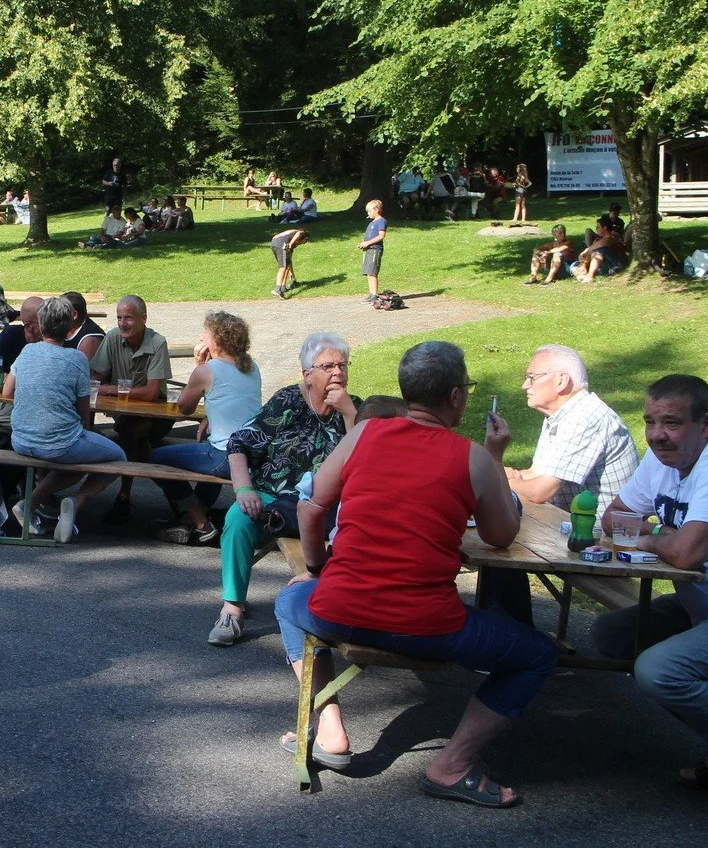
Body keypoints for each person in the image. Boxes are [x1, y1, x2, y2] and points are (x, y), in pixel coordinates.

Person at [275, 341, 557, 805]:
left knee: (290, 601)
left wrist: (316, 569)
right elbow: (501, 535)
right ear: (455, 397)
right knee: (537, 654)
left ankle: (330, 731)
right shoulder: (472, 458)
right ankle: (452, 765)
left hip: (340, 608)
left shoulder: (363, 436)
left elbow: (311, 508)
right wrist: (493, 458)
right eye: (465, 389)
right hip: (428, 625)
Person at [590, 375, 708, 833]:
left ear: (706, 423)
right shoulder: (666, 457)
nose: (656, 434)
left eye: (671, 422)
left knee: (661, 669)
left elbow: (688, 554)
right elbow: (612, 518)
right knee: (611, 636)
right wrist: (665, 538)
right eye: (650, 421)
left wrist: (660, 538)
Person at [207, 332, 360, 647]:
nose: (337, 373)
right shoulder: (288, 401)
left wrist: (348, 413)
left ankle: (339, 613)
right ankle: (232, 609)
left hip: (324, 508)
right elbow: (239, 443)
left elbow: (367, 459)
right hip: (273, 498)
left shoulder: (356, 409)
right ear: (307, 374)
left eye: (342, 366)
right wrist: (244, 489)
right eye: (327, 366)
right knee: (238, 516)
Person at [480, 344, 638, 626]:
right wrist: (506, 473)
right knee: (497, 530)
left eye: (531, 377)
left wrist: (494, 468)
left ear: (562, 381)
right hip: (566, 525)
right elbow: (534, 475)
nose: (523, 385)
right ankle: (506, 634)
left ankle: (513, 638)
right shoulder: (562, 416)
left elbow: (540, 491)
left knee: (500, 538)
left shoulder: (585, 417)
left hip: (596, 538)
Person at [2, 296, 127, 544]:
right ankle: (73, 503)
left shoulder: (27, 351)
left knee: (71, 462)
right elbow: (83, 412)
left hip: (21, 438)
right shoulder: (76, 359)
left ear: (41, 323)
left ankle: (29, 505)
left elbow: (7, 392)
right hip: (60, 442)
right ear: (69, 326)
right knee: (119, 457)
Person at [149, 312, 263, 544]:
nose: (201, 336)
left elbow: (184, 408)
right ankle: (189, 520)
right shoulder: (252, 367)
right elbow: (234, 402)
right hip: (251, 455)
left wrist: (200, 365)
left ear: (217, 339)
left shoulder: (207, 370)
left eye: (206, 333)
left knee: (155, 458)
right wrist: (209, 418)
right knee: (205, 459)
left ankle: (201, 521)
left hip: (224, 456)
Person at [89, 295, 173, 524]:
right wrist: (102, 389)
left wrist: (110, 389)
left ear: (143, 318)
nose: (122, 323)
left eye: (128, 318)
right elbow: (95, 378)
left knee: (130, 432)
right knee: (132, 437)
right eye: (119, 317)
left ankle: (123, 495)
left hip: (156, 416)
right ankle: (178, 500)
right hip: (125, 413)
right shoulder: (113, 337)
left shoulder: (157, 342)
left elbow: (151, 393)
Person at [0, 296, 45, 507]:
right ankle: (30, 495)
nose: (50, 324)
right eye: (44, 320)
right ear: (29, 326)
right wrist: (13, 380)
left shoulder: (55, 339)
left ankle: (35, 492)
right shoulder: (12, 336)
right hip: (9, 406)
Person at [60, 291, 105, 362]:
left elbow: (85, 371)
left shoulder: (89, 340)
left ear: (74, 315)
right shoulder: (68, 326)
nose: (56, 312)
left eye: (60, 310)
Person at [357, 199, 386, 302]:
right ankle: (371, 293)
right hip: (368, 249)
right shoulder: (371, 223)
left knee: (373, 272)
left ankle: (375, 294)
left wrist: (368, 243)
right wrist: (363, 244)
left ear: (377, 210)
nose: (368, 213)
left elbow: (381, 236)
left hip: (375, 249)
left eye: (370, 211)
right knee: (368, 272)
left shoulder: (381, 221)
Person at [270, 227, 308, 299]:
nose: (299, 244)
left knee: (285, 265)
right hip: (282, 244)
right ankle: (277, 289)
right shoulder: (302, 233)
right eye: (302, 242)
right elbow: (300, 233)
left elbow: (289, 262)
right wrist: (290, 244)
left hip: (274, 243)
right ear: (305, 239)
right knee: (282, 267)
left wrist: (292, 275)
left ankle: (282, 288)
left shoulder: (289, 234)